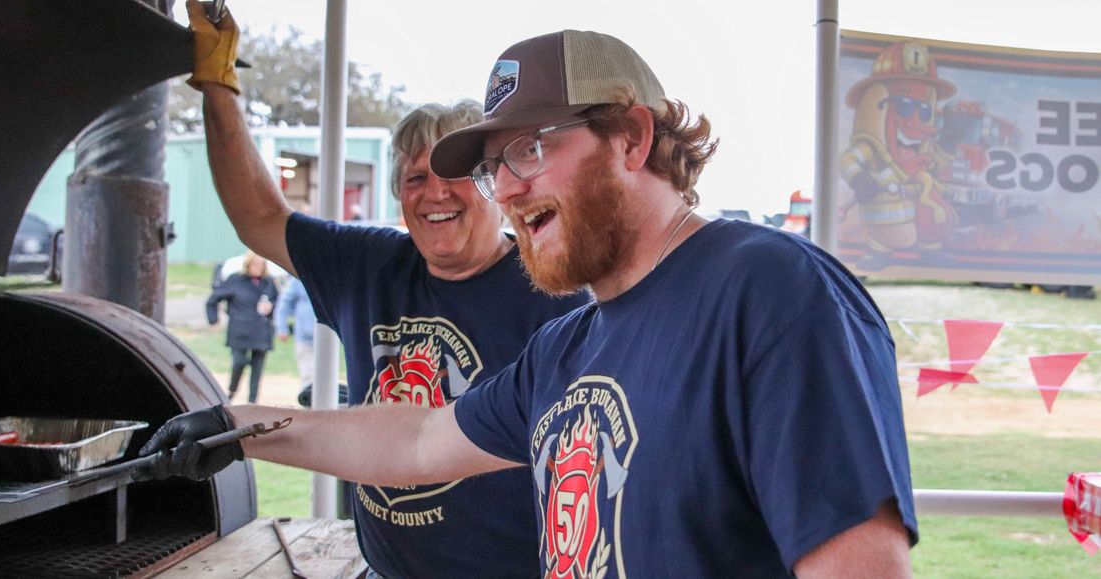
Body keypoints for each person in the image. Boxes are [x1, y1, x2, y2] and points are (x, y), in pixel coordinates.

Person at [141, 17, 917, 577]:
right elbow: (414, 443)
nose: (506, 187)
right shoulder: (571, 344)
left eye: (531, 148)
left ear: (631, 139)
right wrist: (237, 425)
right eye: (494, 165)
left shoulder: (769, 290)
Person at [144, 3, 590, 577]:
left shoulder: (552, 292)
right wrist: (217, 82)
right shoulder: (370, 264)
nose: (435, 193)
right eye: (415, 178)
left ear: (493, 186)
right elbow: (257, 216)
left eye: (454, 174)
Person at [205, 250, 279, 403]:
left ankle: (253, 400)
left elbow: (279, 303)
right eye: (255, 263)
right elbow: (212, 300)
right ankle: (232, 390)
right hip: (240, 331)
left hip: (261, 332)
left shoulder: (268, 283)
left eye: (261, 264)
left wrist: (271, 308)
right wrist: (214, 320)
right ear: (248, 264)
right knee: (239, 362)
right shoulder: (235, 280)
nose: (258, 267)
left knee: (257, 368)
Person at [273, 276, 315, 389]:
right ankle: (308, 403)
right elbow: (284, 304)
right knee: (308, 376)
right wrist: (281, 327)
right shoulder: (298, 280)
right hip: (305, 337)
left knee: (327, 375)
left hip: (330, 338)